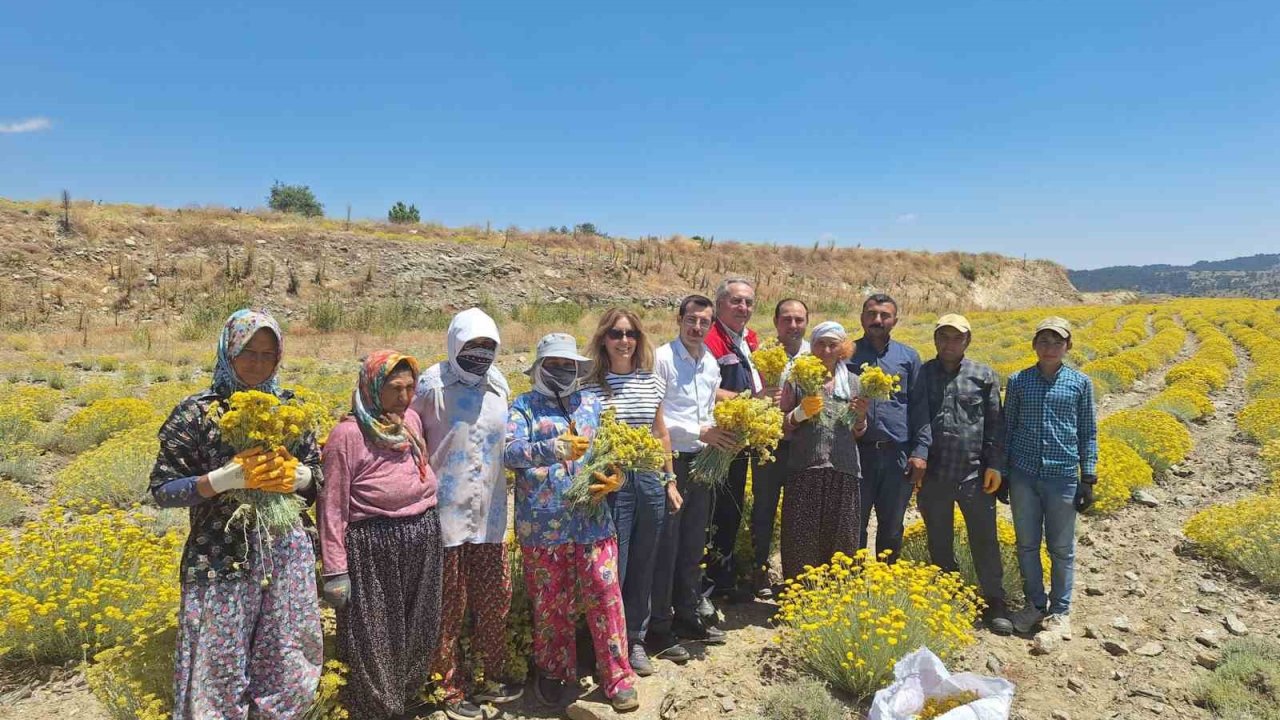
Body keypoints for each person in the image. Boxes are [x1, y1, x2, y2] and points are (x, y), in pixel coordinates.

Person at [149, 308, 323, 720]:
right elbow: (162, 491)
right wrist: (221, 480)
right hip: (219, 562)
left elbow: (320, 479)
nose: (258, 364)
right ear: (229, 351)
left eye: (268, 354)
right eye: (249, 352)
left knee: (288, 661)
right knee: (217, 668)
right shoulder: (197, 414)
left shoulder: (290, 408)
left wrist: (300, 478)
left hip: (285, 559)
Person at [504, 333, 638, 712]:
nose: (562, 371)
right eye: (554, 364)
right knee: (551, 605)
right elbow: (509, 452)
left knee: (606, 596)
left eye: (569, 365)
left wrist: (617, 478)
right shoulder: (524, 406)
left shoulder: (593, 404)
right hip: (544, 527)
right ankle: (554, 673)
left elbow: (616, 452)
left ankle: (617, 676)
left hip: (594, 522)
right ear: (540, 367)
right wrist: (551, 449)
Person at [318, 351, 443, 720]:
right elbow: (332, 506)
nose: (404, 397)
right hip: (373, 545)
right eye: (395, 389)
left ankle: (403, 699)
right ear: (373, 388)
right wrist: (335, 570)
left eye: (410, 388)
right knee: (373, 635)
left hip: (421, 535)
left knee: (418, 624)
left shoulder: (411, 422)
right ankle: (375, 708)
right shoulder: (348, 435)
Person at [413, 309, 521, 720]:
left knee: (494, 601)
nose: (481, 353)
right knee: (449, 606)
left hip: (490, 516)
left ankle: (491, 674)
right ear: (455, 343)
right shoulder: (431, 384)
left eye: (488, 346)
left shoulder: (499, 384)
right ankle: (448, 686)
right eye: (472, 345)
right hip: (445, 518)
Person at [581, 308, 680, 678]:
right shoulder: (590, 385)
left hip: (649, 481)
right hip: (612, 484)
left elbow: (660, 433)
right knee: (611, 568)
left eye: (631, 334)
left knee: (644, 561)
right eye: (616, 334)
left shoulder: (650, 380)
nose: (624, 341)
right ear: (603, 339)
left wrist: (670, 480)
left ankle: (635, 640)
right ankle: (607, 643)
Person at [649, 295, 735, 662]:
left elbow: (710, 407)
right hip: (672, 462)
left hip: (702, 462)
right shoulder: (662, 359)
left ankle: (686, 614)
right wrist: (699, 431)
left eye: (704, 322)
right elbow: (656, 416)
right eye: (691, 320)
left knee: (692, 542)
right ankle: (658, 628)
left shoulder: (710, 362)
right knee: (665, 545)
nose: (697, 327)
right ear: (679, 319)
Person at [917, 314, 1013, 635]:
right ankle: (951, 596)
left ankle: (994, 602)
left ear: (967, 341)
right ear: (935, 340)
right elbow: (916, 419)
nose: (949, 343)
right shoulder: (923, 374)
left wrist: (996, 466)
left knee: (984, 540)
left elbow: (996, 427)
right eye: (943, 337)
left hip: (974, 476)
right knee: (939, 541)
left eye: (956, 337)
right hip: (934, 477)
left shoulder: (983, 375)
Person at [1003, 317, 1097, 641]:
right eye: (1044, 341)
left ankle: (1060, 611)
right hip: (1024, 475)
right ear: (1034, 345)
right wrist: (1002, 473)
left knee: (1061, 548)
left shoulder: (1080, 383)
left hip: (1063, 476)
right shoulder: (1018, 381)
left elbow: (1088, 432)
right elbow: (1007, 428)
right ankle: (1035, 605)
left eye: (1057, 342)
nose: (1050, 348)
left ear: (1067, 346)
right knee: (1027, 545)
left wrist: (1089, 477)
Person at [777, 321, 867, 580]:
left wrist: (860, 417)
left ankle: (835, 597)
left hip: (844, 469)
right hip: (806, 468)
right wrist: (798, 414)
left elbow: (859, 431)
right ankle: (800, 594)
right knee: (801, 536)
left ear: (843, 349)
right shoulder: (797, 380)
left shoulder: (854, 383)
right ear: (812, 347)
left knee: (842, 535)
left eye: (833, 344)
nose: (826, 350)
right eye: (820, 343)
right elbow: (782, 427)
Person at [848, 293, 931, 563]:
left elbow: (919, 407)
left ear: (895, 321)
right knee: (853, 523)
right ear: (862, 318)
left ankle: (887, 577)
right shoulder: (847, 354)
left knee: (892, 526)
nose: (877, 320)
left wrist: (920, 452)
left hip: (897, 455)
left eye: (885, 315)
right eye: (871, 314)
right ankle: (853, 583)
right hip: (856, 453)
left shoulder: (907, 357)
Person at [703, 276, 763, 600]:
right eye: (736, 301)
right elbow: (705, 390)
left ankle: (724, 577)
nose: (743, 308)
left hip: (742, 440)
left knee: (732, 508)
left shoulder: (750, 338)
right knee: (714, 511)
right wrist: (749, 402)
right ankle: (708, 585)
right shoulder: (710, 338)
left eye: (748, 302)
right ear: (719, 305)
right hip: (718, 439)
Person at [750, 298, 811, 598]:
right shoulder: (761, 355)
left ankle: (795, 575)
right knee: (763, 510)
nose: (793, 325)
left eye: (799, 320)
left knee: (798, 512)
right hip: (768, 445)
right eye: (787, 319)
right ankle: (759, 572)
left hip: (804, 447)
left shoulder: (816, 353)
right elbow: (748, 395)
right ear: (776, 322)